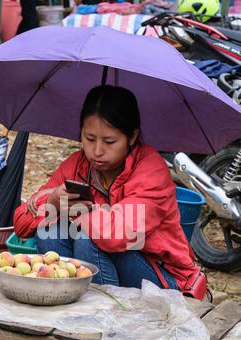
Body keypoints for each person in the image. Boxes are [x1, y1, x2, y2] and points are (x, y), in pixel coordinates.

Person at [14, 85, 207, 299]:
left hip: (163, 279)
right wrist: (52, 201)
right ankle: (66, 305)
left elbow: (117, 235)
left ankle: (102, 318)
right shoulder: (77, 165)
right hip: (106, 263)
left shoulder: (151, 170)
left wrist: (71, 209)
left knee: (89, 238)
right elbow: (21, 223)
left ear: (132, 137)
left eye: (109, 141)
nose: (97, 151)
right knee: (48, 232)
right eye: (89, 138)